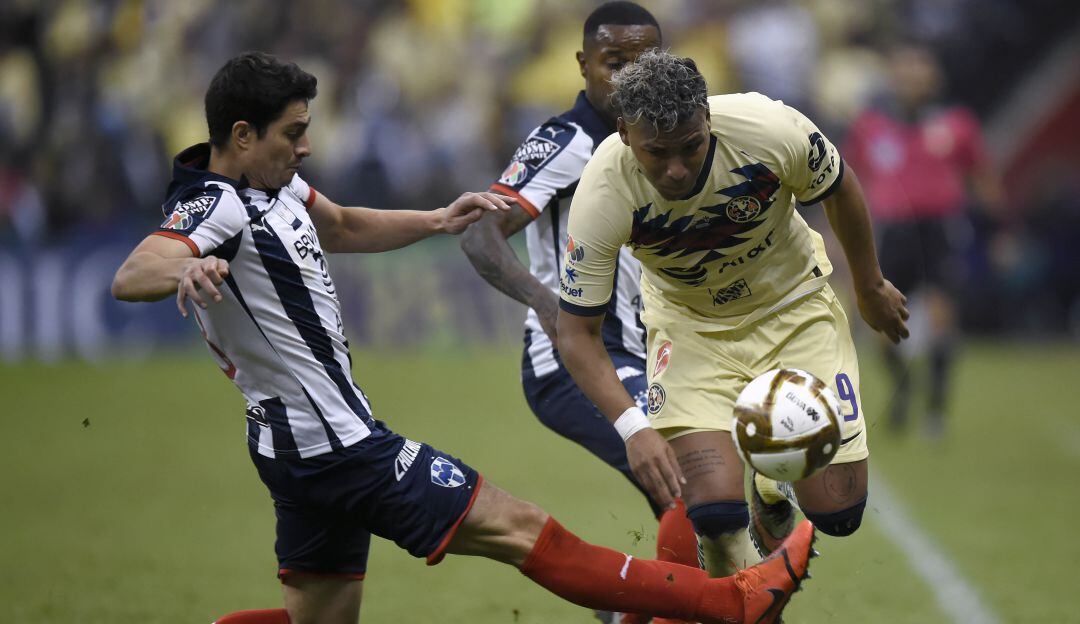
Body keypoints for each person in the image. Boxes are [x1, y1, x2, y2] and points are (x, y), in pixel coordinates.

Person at [110, 51, 815, 624]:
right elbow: (137, 269)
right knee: (527, 531)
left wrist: (436, 220)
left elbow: (345, 225)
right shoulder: (216, 201)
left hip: (295, 449)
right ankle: (734, 601)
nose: (307, 144)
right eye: (293, 132)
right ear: (241, 137)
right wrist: (188, 264)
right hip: (340, 449)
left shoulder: (275, 189)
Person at [556, 49, 909, 582]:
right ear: (626, 134)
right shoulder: (602, 192)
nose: (676, 169)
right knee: (715, 515)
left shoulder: (769, 128)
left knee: (839, 512)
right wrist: (633, 429)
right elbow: (576, 333)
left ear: (708, 120)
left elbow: (839, 188)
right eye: (657, 153)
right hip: (691, 330)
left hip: (794, 308)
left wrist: (869, 285)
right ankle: (747, 611)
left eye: (691, 147)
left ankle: (773, 481)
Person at [460, 6, 697, 622]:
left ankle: (634, 609)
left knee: (700, 498)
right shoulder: (569, 141)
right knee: (688, 477)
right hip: (575, 360)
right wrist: (546, 303)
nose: (629, 78)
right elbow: (481, 234)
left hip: (654, 358)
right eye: (615, 64)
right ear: (584, 65)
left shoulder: (670, 140)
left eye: (645, 63)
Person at [842, 43, 1000, 438]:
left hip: (940, 229)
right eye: (905, 68)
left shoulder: (957, 124)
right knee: (882, 326)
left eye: (921, 68)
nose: (913, 76)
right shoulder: (870, 125)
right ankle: (905, 389)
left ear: (934, 76)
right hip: (893, 231)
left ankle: (936, 409)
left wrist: (1000, 230)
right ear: (893, 76)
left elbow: (982, 176)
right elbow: (847, 180)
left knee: (942, 317)